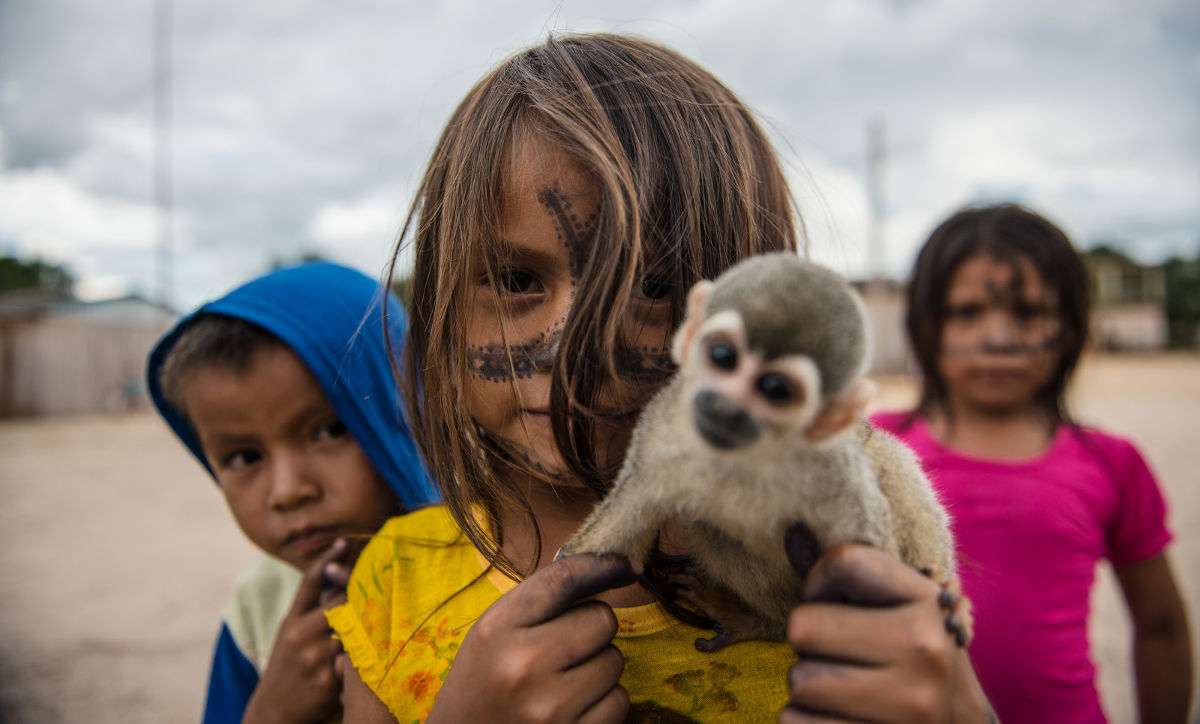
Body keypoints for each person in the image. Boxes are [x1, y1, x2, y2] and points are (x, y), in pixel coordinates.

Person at [329, 33, 992, 723]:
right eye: (517, 280)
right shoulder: (394, 589)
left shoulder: (826, 579)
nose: (573, 350)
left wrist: (958, 707)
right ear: (438, 308)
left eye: (652, 284)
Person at [872, 203, 1193, 723]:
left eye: (1027, 312)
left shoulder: (1113, 464)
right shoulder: (877, 447)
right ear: (926, 326)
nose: (998, 337)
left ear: (1069, 326)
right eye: (968, 312)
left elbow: (1161, 627)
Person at [146, 262, 439, 724]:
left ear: (402, 413)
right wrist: (273, 710)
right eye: (244, 458)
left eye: (328, 430)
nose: (286, 493)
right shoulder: (258, 612)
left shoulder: (497, 571)